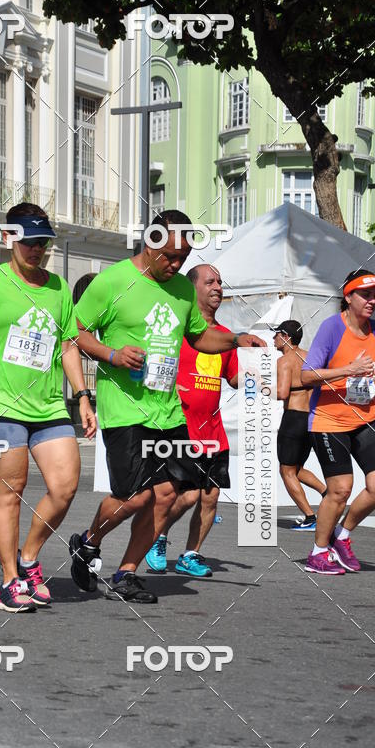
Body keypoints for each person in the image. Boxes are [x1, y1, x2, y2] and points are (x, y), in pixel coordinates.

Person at [70, 211, 266, 604]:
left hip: (168, 409)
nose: (177, 265)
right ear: (151, 241)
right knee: (134, 496)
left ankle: (126, 573)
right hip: (126, 408)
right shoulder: (112, 281)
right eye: (172, 256)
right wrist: (112, 353)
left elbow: (199, 337)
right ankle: (88, 541)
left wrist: (236, 340)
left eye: (184, 257)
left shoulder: (180, 289)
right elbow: (74, 334)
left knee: (168, 494)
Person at [0, 203, 96, 613]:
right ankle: (9, 581)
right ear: (8, 239)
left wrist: (82, 395)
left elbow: (68, 346)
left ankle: (29, 556)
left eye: (43, 243)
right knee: (10, 491)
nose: (37, 250)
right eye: (29, 242)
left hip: (49, 405)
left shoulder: (57, 287)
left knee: (65, 486)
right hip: (0, 403)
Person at [145, 263, 238, 577]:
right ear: (192, 288)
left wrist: (263, 371)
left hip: (214, 428)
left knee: (210, 495)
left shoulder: (226, 338)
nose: (218, 288)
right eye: (210, 281)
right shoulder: (175, 330)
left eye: (220, 282)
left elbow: (236, 378)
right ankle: (156, 537)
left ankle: (191, 554)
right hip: (180, 426)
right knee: (188, 494)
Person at [301, 269, 375, 574]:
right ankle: (318, 552)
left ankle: (342, 536)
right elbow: (306, 376)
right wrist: (349, 369)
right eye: (366, 295)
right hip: (329, 420)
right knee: (341, 489)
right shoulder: (332, 328)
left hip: (366, 418)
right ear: (348, 297)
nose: (372, 301)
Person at [273, 319, 326, 531]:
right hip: (311, 419)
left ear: (286, 337)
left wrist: (261, 386)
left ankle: (310, 517)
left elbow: (282, 393)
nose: (273, 338)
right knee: (297, 468)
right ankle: (326, 493)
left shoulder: (284, 361)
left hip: (293, 419)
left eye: (276, 334)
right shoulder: (310, 357)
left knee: (285, 471)